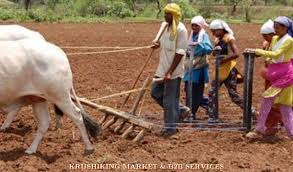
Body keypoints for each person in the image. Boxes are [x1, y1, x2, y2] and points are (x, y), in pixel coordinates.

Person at [246, 16, 293, 139]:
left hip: (286, 74)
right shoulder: (275, 38)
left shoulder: (289, 40)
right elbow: (273, 54)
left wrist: (257, 51)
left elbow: (277, 54)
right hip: (275, 72)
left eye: (278, 28)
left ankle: (260, 128)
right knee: (284, 105)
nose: (275, 30)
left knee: (269, 99)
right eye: (274, 27)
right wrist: (268, 59)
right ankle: (291, 132)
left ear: (285, 28)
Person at [151, 3, 188, 137]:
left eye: (168, 14)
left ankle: (170, 128)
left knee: (169, 99)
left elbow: (180, 52)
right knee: (155, 92)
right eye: (165, 13)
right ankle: (181, 110)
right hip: (162, 66)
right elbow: (158, 41)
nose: (165, 16)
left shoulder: (181, 30)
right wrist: (156, 44)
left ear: (175, 15)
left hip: (174, 69)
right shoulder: (163, 26)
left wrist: (170, 72)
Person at [207, 19, 249, 123]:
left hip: (230, 70)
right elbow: (214, 53)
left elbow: (236, 53)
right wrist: (215, 52)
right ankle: (213, 116)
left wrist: (223, 60)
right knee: (212, 93)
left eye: (214, 31)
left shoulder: (229, 38)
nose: (213, 33)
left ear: (221, 29)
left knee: (233, 95)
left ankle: (250, 112)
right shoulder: (217, 40)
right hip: (220, 70)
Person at [183, 16, 213, 120]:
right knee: (188, 90)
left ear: (200, 26)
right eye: (193, 25)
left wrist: (199, 45)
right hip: (190, 66)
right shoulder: (191, 35)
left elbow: (209, 49)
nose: (194, 27)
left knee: (196, 91)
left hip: (199, 68)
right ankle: (207, 105)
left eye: (196, 25)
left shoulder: (203, 36)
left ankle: (192, 113)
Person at [259, 19, 283, 135]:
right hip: (270, 75)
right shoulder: (267, 44)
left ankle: (271, 126)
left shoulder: (283, 44)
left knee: (275, 101)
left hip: (279, 75)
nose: (264, 39)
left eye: (266, 36)